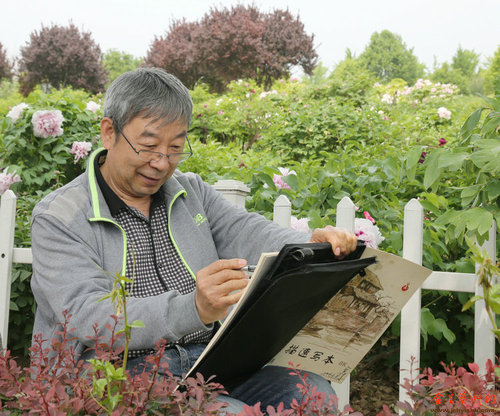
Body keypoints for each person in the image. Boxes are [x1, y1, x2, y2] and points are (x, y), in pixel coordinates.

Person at [31, 67, 357, 413]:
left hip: (208, 360)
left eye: (175, 148)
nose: (161, 163)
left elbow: (246, 231)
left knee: (315, 395)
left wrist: (309, 243)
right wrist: (194, 308)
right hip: (114, 372)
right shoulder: (59, 217)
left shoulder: (190, 192)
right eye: (149, 145)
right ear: (109, 132)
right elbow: (89, 317)